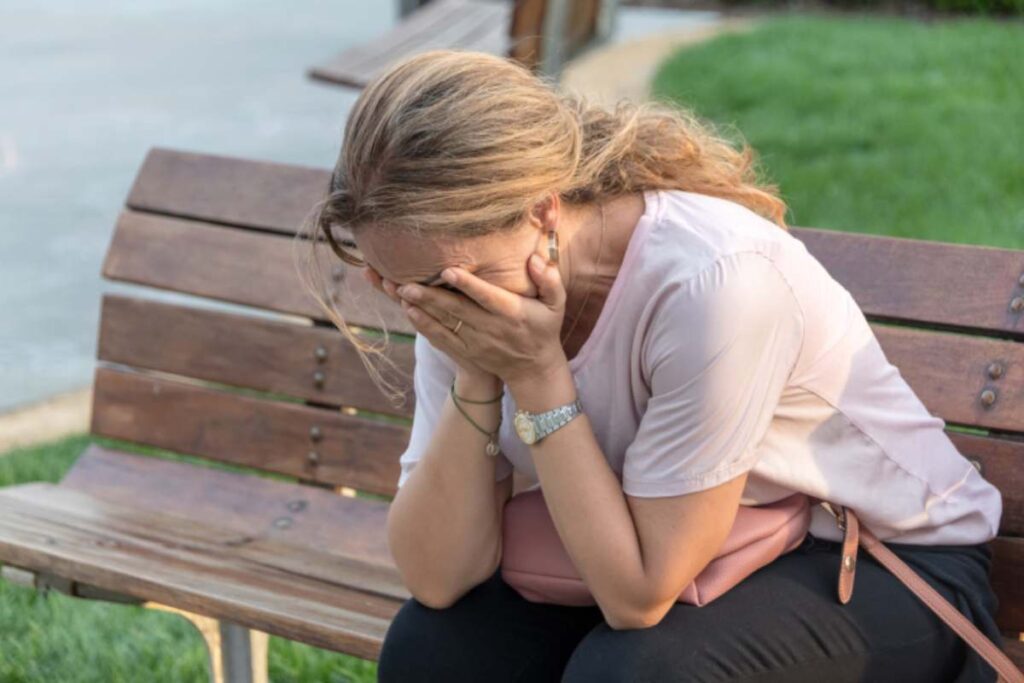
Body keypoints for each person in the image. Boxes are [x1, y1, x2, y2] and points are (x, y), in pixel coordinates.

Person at [296, 49, 1005, 682]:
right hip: (674, 551)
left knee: (637, 672)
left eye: (448, 283)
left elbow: (639, 596)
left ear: (542, 208)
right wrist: (479, 375)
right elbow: (436, 576)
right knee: (435, 650)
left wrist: (539, 375)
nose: (427, 305)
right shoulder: (459, 280)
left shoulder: (715, 282)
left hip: (887, 562)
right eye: (396, 284)